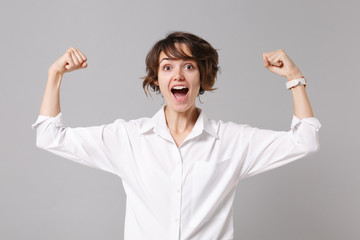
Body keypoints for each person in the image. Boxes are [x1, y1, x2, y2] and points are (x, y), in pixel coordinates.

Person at [31, 31, 321, 240]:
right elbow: (48, 136)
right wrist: (54, 75)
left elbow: (304, 141)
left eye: (189, 66)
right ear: (156, 80)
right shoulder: (129, 139)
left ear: (203, 78)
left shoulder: (232, 141)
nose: (178, 75)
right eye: (167, 67)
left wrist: (295, 78)